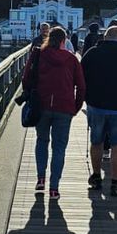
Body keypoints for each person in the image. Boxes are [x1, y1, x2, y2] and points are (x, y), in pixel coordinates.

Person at [20, 26, 84, 201]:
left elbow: (25, 78)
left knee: (42, 140)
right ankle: (54, 188)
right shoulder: (72, 59)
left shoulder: (38, 54)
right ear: (64, 41)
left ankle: (40, 178)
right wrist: (75, 107)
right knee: (59, 147)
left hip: (42, 106)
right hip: (64, 108)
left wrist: (30, 96)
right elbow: (82, 86)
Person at [79, 25, 117, 196]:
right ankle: (116, 182)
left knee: (96, 141)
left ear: (104, 37)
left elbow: (81, 77)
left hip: (96, 105)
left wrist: (85, 97)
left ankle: (96, 176)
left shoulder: (92, 53)